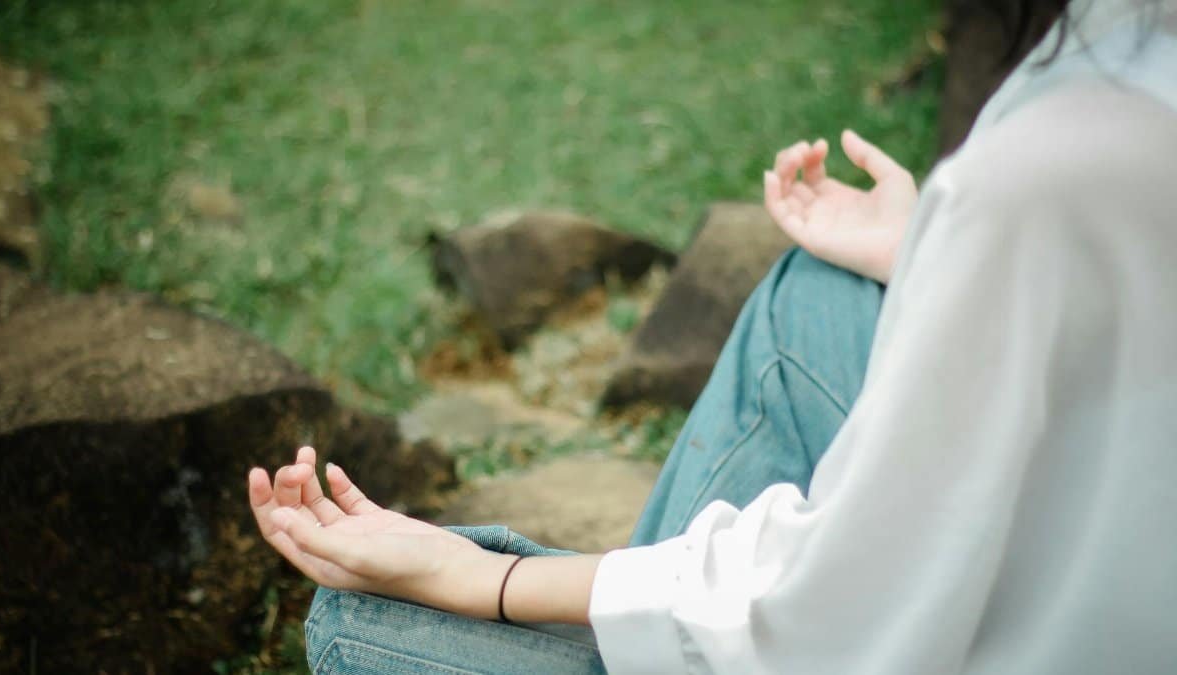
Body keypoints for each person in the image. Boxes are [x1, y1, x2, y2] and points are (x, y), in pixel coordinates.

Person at [248, 0, 1177, 671]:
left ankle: (614, 629)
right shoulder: (1135, 62)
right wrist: (935, 249)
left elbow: (820, 603)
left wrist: (478, 577)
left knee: (355, 628)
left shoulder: (1057, 163)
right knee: (817, 294)